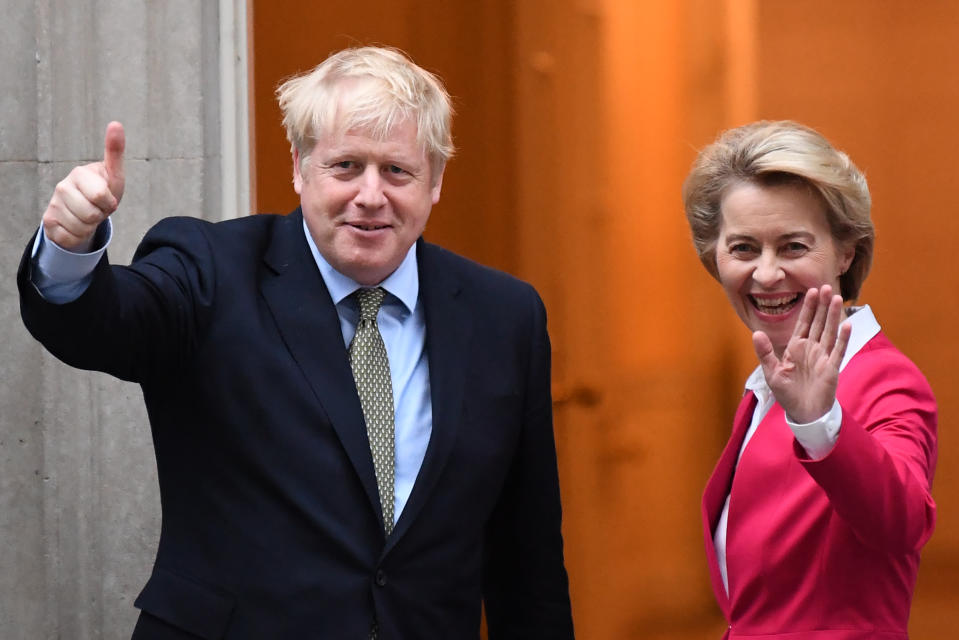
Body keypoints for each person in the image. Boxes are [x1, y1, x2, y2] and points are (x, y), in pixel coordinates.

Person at [18, 46, 573, 639]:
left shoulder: (504, 317)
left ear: (435, 181)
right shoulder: (211, 271)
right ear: (299, 166)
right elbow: (106, 324)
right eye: (345, 166)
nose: (370, 195)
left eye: (397, 171)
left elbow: (527, 561)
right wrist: (70, 249)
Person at [682, 120, 937, 639]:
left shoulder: (882, 377)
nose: (767, 274)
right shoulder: (773, 374)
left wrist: (820, 422)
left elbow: (904, 522)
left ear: (846, 251)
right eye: (744, 248)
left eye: (793, 246)